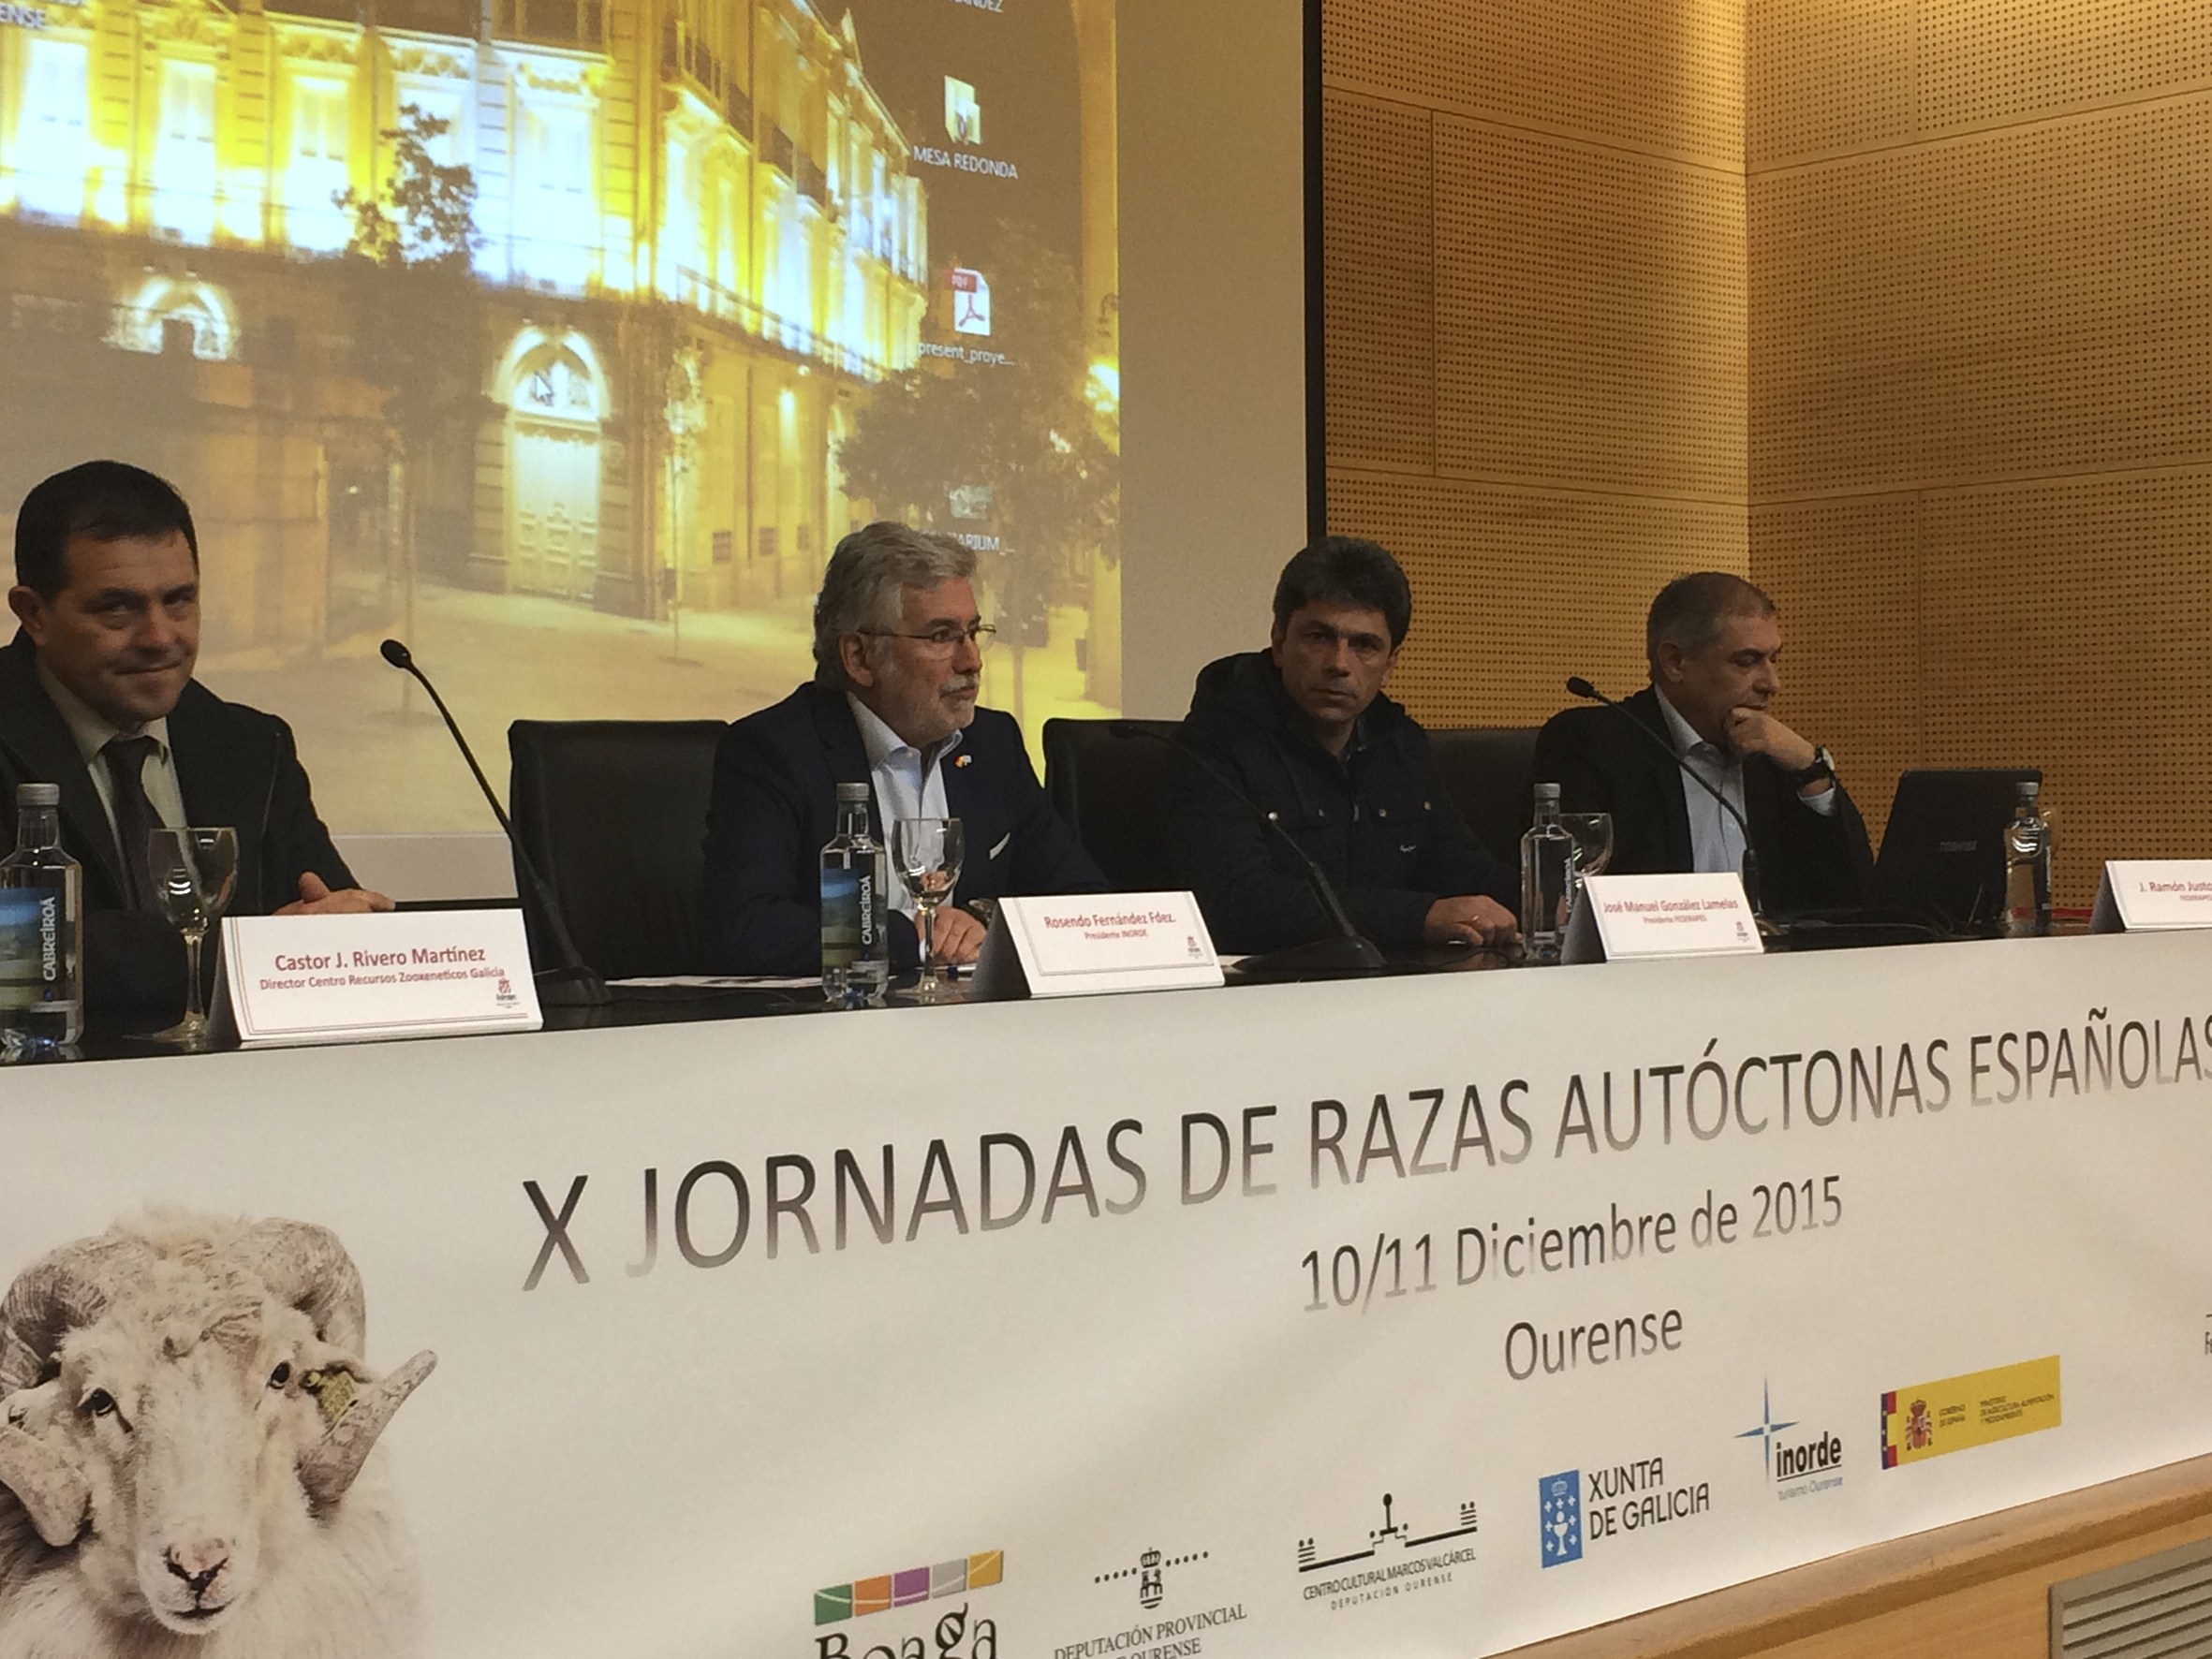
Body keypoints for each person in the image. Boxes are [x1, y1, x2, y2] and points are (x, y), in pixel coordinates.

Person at [0, 461, 391, 1014]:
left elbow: (330, 916)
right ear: (33, 614)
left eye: (179, 600)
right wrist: (248, 955)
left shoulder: (253, 747)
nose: (160, 637)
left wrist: (348, 933)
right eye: (118, 608)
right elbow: (22, 957)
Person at [702, 521, 1107, 976]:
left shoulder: (992, 744)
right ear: (859, 657)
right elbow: (746, 928)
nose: (972, 660)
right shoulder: (776, 751)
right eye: (941, 637)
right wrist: (914, 936)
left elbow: (1084, 900)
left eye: (973, 632)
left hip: (975, 1014)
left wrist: (984, 922)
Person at [1169, 536, 1518, 955]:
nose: (1338, 663)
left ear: (1389, 665)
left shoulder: (1399, 743)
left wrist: (1557, 903)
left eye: (1364, 645)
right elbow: (1236, 904)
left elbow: (1464, 870)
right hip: (1268, 984)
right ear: (1279, 643)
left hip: (1392, 981)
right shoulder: (1213, 744)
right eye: (1319, 637)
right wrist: (1417, 917)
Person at [1529, 571, 1871, 912]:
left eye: (1773, 660)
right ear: (1675, 662)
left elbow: (1857, 897)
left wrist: (1811, 768)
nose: (1772, 683)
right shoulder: (1595, 743)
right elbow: (1564, 893)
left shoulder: (1773, 756)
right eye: (1747, 661)